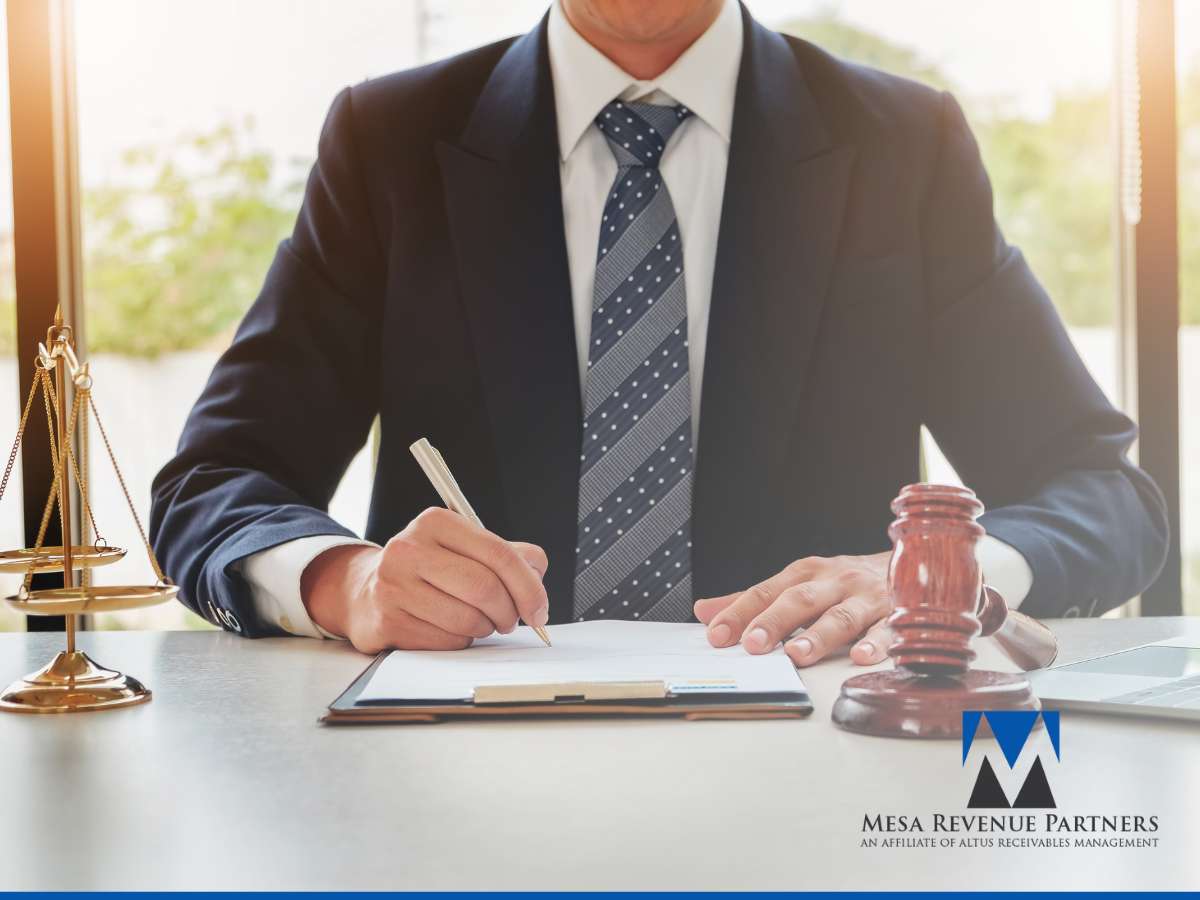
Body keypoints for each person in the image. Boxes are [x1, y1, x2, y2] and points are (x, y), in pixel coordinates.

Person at [150, 0, 1168, 665]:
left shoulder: (902, 147)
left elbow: (1104, 496)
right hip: (459, 774)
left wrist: (936, 577)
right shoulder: (390, 142)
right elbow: (215, 483)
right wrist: (348, 583)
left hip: (818, 771)